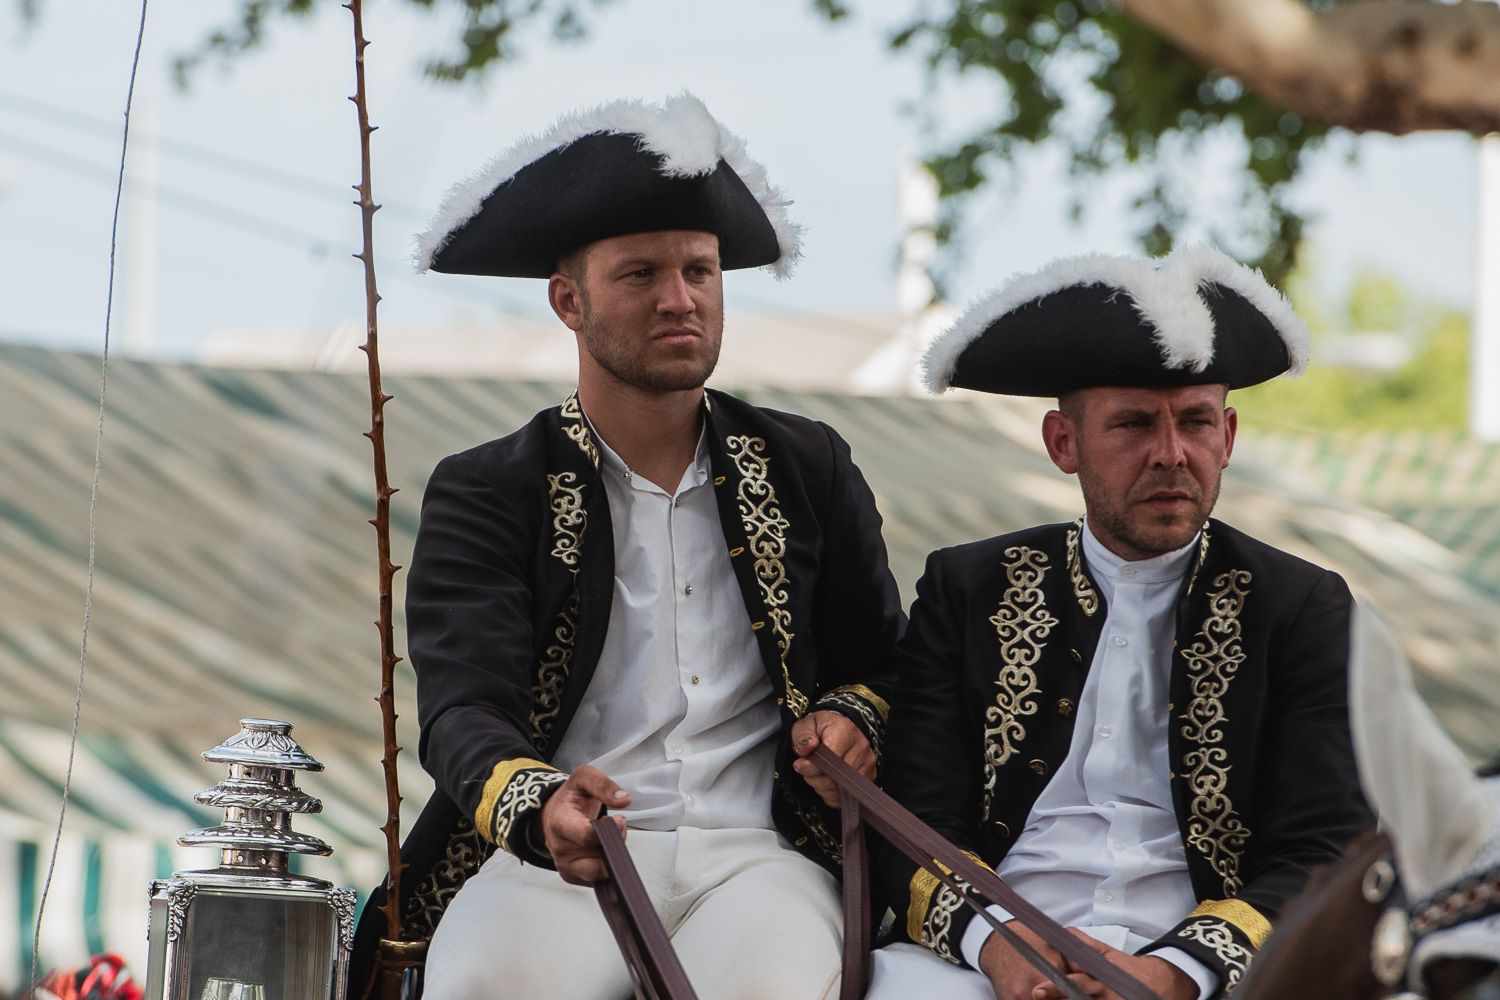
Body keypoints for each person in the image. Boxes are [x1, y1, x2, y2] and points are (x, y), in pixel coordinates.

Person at [377, 94, 904, 1000]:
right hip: (562, 856)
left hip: (761, 856)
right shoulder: (490, 487)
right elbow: (463, 709)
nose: (678, 299)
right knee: (482, 984)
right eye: (640, 274)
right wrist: (542, 805)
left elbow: (886, 662)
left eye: (700, 271)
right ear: (568, 301)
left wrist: (852, 719)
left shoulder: (807, 464)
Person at [868, 245, 1372, 1000]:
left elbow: (1324, 846)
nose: (1171, 454)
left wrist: (1171, 975)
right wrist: (1000, 949)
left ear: (1229, 437)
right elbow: (914, 819)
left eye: (1195, 422)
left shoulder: (1301, 607)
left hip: (1212, 972)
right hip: (986, 956)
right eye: (1133, 424)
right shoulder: (967, 588)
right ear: (1063, 443)